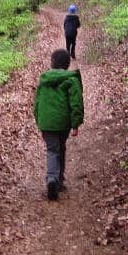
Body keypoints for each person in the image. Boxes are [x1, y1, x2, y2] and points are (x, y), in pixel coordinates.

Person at [33, 49, 84, 201]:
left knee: (52, 149)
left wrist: (39, 121)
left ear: (52, 62)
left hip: (47, 122)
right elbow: (76, 103)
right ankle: (56, 180)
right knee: (60, 147)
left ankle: (53, 179)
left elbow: (37, 103)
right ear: (67, 64)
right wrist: (76, 124)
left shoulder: (44, 79)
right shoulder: (71, 80)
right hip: (63, 122)